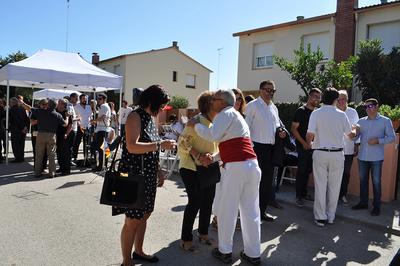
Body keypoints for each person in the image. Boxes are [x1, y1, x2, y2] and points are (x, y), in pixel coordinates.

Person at [189, 89, 262, 265]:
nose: (212, 102)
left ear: (221, 101)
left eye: (214, 99)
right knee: (250, 211)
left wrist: (194, 125)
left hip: (236, 167)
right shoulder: (237, 117)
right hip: (251, 165)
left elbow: (212, 135)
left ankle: (225, 251)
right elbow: (233, 146)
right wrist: (213, 158)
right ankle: (253, 253)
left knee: (227, 210)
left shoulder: (225, 112)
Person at [112, 85, 176, 266]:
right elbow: (132, 146)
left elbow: (151, 147)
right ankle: (127, 260)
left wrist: (158, 170)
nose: (163, 109)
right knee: (132, 220)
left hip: (146, 175)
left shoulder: (149, 118)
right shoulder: (135, 116)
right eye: (162, 105)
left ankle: (138, 251)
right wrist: (160, 145)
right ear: (152, 101)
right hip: (134, 176)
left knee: (144, 215)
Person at [306, 87, 357, 226]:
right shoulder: (342, 115)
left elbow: (309, 135)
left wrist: (309, 144)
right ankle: (331, 216)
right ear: (335, 100)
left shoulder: (316, 114)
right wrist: (354, 129)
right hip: (337, 154)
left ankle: (320, 217)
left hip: (320, 152)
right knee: (335, 187)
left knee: (320, 185)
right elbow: (350, 135)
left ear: (323, 98)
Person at [177, 91, 218, 252]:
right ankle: (186, 238)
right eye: (217, 102)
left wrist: (211, 157)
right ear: (209, 105)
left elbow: (218, 147)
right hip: (190, 168)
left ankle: (203, 233)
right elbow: (181, 143)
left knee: (208, 201)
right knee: (195, 202)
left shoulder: (214, 124)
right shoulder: (195, 122)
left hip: (208, 168)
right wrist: (199, 155)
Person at [245, 80, 286, 218]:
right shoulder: (252, 106)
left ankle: (261, 212)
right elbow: (246, 128)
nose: (270, 93)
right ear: (261, 90)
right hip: (256, 148)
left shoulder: (274, 108)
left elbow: (276, 126)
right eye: (268, 90)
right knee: (253, 183)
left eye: (273, 91)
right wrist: (251, 147)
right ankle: (249, 214)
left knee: (266, 183)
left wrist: (281, 132)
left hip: (271, 149)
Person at [351, 98, 395, 216]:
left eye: (370, 106)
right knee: (363, 181)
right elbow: (356, 138)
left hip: (376, 158)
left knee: (376, 182)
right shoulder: (361, 121)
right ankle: (363, 202)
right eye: (365, 107)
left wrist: (378, 141)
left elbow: (392, 137)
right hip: (362, 157)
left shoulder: (385, 121)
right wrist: (353, 134)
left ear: (377, 107)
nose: (367, 109)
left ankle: (376, 207)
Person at [20, 98, 68, 178]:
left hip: (41, 135)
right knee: (51, 155)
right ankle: (52, 173)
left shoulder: (40, 111)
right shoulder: (57, 114)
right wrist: (67, 117)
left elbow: (29, 108)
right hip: (52, 136)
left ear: (48, 105)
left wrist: (22, 103)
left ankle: (37, 173)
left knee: (39, 155)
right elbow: (65, 124)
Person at [291, 88, 321, 207]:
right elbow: (294, 129)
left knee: (308, 170)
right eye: (314, 96)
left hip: (314, 147)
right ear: (309, 96)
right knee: (302, 170)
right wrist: (303, 142)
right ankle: (299, 196)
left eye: (318, 97)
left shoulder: (318, 112)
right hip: (302, 146)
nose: (316, 99)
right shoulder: (301, 111)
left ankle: (304, 193)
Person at [337, 90, 359, 206]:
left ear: (347, 100)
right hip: (335, 149)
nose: (341, 101)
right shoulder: (333, 111)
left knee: (346, 173)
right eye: (339, 99)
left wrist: (356, 144)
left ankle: (343, 195)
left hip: (349, 149)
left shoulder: (353, 112)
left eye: (343, 99)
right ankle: (333, 195)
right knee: (334, 174)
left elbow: (357, 129)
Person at [90, 93, 111, 171]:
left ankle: (101, 166)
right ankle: (104, 165)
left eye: (100, 99)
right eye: (98, 99)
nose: (98, 100)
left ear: (104, 99)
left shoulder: (104, 106)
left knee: (101, 149)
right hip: (103, 129)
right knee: (105, 148)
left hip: (102, 130)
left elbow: (103, 117)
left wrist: (94, 120)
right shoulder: (105, 106)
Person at [9, 97, 30, 163]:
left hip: (16, 129)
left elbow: (16, 120)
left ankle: (18, 158)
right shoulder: (22, 108)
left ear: (13, 103)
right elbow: (27, 119)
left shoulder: (12, 110)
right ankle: (21, 157)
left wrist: (23, 127)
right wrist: (26, 128)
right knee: (21, 144)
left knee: (16, 144)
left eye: (10, 102)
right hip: (23, 129)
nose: (9, 103)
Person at [73, 94, 93, 161]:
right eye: (83, 98)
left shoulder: (88, 107)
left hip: (87, 127)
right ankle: (74, 158)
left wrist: (91, 123)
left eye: (85, 99)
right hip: (79, 127)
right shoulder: (76, 106)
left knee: (86, 143)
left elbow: (91, 116)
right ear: (80, 99)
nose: (84, 100)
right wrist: (79, 125)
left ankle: (86, 158)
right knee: (77, 143)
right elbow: (75, 117)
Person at [55, 99, 73, 175]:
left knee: (65, 153)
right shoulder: (55, 111)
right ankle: (61, 167)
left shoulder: (66, 112)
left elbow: (70, 125)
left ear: (63, 105)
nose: (58, 104)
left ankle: (66, 170)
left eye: (60, 103)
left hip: (64, 135)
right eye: (58, 102)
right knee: (58, 152)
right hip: (56, 134)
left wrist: (66, 133)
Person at [30, 100, 48, 173]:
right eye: (43, 104)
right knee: (36, 151)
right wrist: (40, 119)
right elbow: (32, 123)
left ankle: (43, 167)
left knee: (45, 151)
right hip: (36, 133)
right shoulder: (35, 111)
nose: (45, 106)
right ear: (39, 104)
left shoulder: (48, 112)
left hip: (46, 133)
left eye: (46, 104)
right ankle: (37, 167)